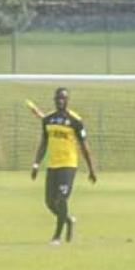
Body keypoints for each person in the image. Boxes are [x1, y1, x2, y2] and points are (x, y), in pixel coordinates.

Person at [30, 87, 97, 245]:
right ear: (54, 100)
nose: (60, 101)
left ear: (67, 101)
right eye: (58, 98)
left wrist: (91, 169)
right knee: (50, 203)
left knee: (61, 199)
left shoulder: (75, 120)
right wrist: (36, 164)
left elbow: (84, 146)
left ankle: (57, 237)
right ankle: (68, 220)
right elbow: (43, 143)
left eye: (63, 98)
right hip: (52, 165)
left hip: (68, 165)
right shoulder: (48, 120)